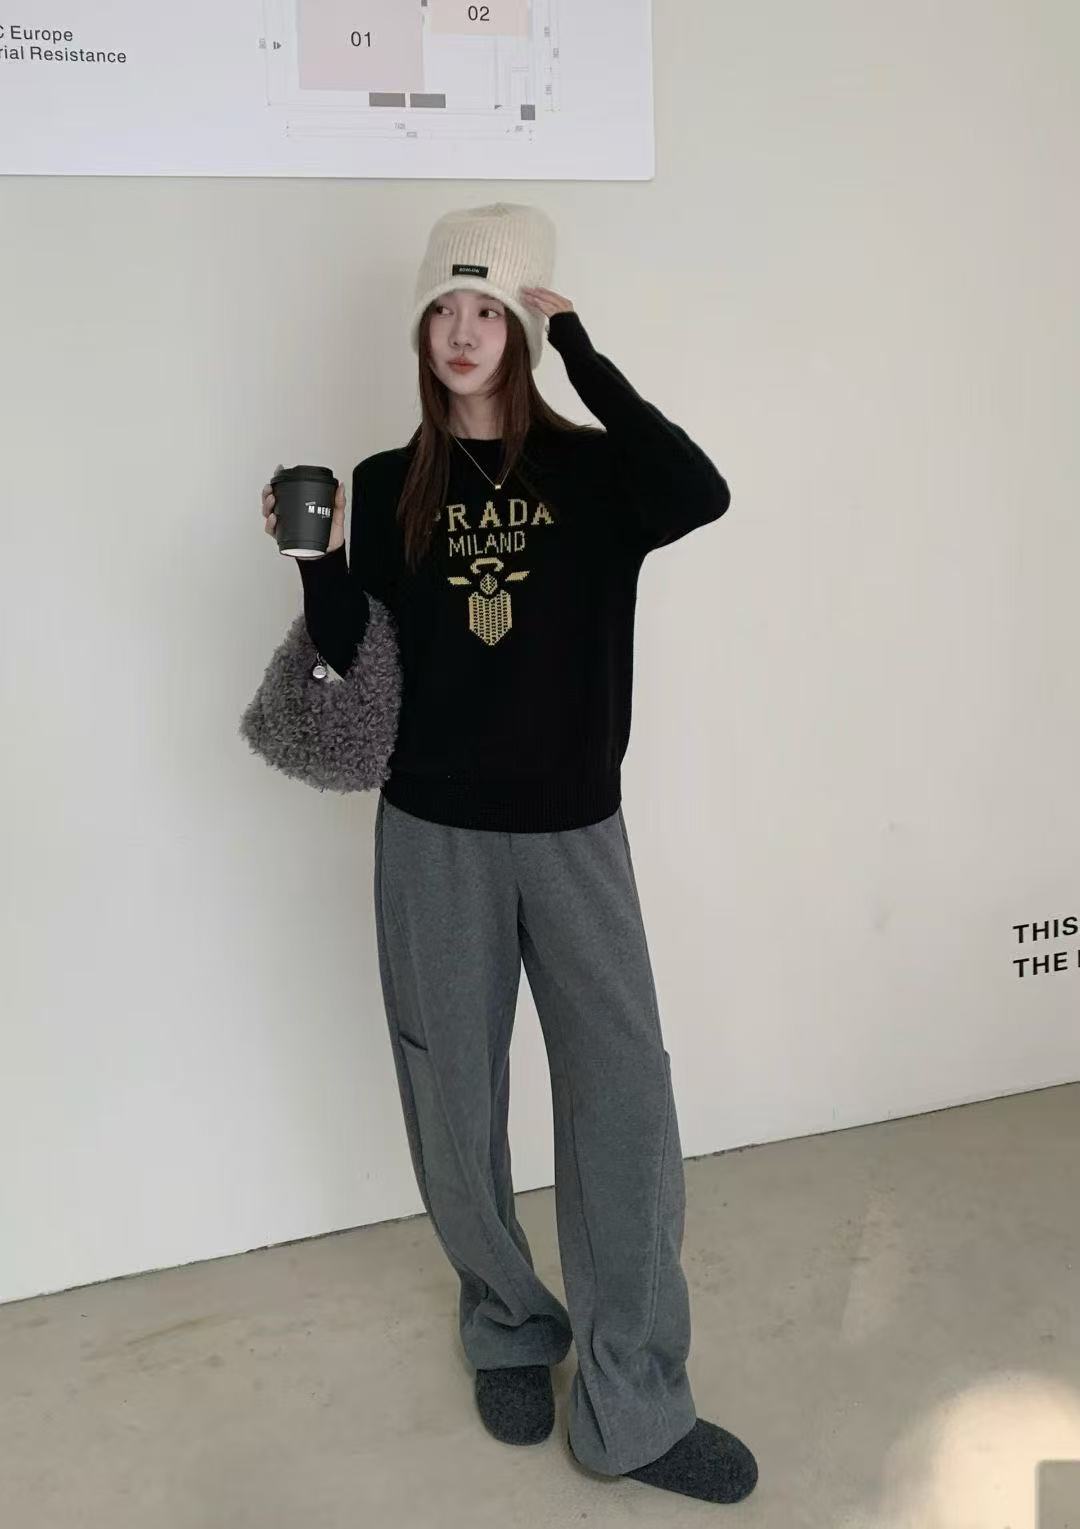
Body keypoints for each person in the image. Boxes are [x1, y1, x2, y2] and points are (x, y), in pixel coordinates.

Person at [260, 203, 757, 1506]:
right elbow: (357, 646)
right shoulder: (388, 481)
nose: (464, 330)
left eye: (488, 309)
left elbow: (700, 490)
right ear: (422, 332)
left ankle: (634, 1404)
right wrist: (315, 562)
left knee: (625, 1103)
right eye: (445, 309)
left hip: (575, 828)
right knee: (453, 1097)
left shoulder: (596, 471)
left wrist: (582, 347)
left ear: (520, 328)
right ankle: (507, 1323)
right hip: (432, 835)